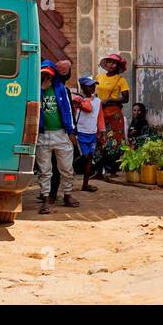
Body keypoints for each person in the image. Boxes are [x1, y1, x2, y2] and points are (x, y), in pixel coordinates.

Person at [36, 61, 79, 214]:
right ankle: (46, 199)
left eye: (49, 74)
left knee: (67, 168)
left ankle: (67, 194)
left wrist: (72, 132)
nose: (46, 77)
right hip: (42, 135)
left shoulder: (61, 90)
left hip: (61, 133)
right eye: (43, 74)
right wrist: (41, 90)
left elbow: (68, 112)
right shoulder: (35, 90)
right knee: (45, 170)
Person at [95, 53, 130, 171]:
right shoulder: (99, 77)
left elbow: (125, 98)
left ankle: (112, 168)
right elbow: (94, 93)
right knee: (99, 138)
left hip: (114, 114)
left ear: (118, 66)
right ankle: (100, 169)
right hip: (99, 111)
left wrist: (109, 100)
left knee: (114, 140)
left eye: (114, 63)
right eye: (109, 62)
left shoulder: (121, 80)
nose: (111, 65)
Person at [72, 77, 102, 192]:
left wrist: (101, 132)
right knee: (86, 156)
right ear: (83, 87)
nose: (93, 88)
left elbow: (100, 118)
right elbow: (85, 109)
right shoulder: (77, 100)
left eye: (94, 85)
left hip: (92, 133)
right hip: (80, 133)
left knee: (89, 158)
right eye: (90, 86)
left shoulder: (97, 101)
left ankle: (85, 184)